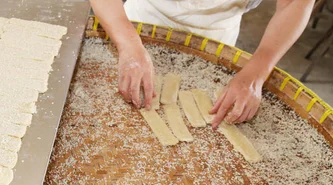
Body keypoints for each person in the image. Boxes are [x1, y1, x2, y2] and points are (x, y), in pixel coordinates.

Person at [89, 0, 314, 127]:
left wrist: (256, 74)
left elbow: (295, 3)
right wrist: (128, 45)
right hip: (138, 24)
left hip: (217, 39)